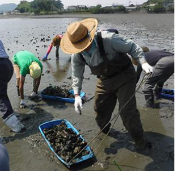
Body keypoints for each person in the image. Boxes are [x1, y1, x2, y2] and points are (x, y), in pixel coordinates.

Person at [60, 18, 154, 150]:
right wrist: (76, 95)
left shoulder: (108, 39)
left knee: (127, 112)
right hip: (104, 79)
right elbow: (77, 74)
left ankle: (140, 141)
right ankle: (105, 131)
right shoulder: (77, 55)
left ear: (89, 37)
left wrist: (143, 63)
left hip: (124, 76)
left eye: (84, 45)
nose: (82, 49)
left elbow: (132, 46)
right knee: (100, 109)